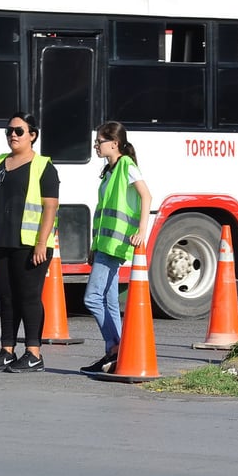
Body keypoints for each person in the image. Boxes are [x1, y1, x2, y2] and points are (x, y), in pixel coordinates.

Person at [0, 113, 60, 373]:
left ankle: (34, 353)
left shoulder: (43, 166)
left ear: (32, 135)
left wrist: (42, 242)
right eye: (9, 131)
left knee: (28, 297)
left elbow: (50, 207)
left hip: (30, 244)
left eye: (19, 131)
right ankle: (7, 350)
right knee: (6, 298)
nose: (13, 135)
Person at [79, 121, 151, 375]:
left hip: (116, 243)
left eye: (100, 141)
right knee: (109, 301)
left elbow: (147, 196)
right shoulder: (109, 171)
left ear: (115, 143)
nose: (96, 145)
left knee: (92, 298)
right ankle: (119, 352)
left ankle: (114, 347)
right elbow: (102, 213)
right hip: (105, 244)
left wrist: (142, 231)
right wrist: (93, 246)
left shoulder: (126, 166)